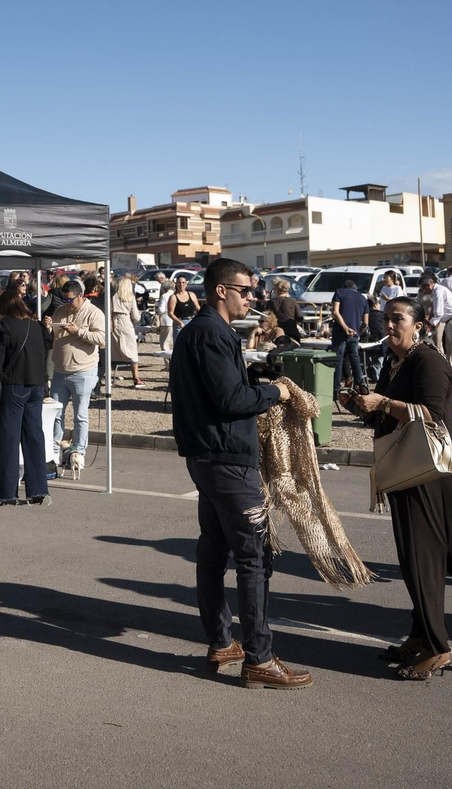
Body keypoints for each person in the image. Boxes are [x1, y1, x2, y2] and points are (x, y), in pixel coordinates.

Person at [343, 296, 452, 680]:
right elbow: (386, 409)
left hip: (429, 477)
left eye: (397, 319)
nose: (388, 326)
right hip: (407, 472)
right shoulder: (396, 361)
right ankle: (420, 636)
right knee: (417, 561)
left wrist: (384, 402)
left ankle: (437, 649)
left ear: (419, 325)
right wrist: (362, 405)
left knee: (424, 563)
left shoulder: (430, 362)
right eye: (385, 319)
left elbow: (432, 414)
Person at [169, 258, 312, 691]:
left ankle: (221, 642)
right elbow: (231, 399)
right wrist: (275, 391)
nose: (252, 297)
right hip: (227, 459)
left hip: (210, 456)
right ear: (219, 290)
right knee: (253, 558)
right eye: (245, 290)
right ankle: (260, 658)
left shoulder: (204, 332)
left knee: (213, 553)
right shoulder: (212, 333)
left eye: (253, 290)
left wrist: (253, 377)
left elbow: (221, 388)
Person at [0, 293, 51, 505]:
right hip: (37, 386)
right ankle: (38, 489)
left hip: (14, 385)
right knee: (34, 437)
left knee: (9, 440)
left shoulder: (4, 327)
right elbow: (45, 353)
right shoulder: (36, 326)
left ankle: (4, 492)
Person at [45, 279, 105, 480]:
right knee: (56, 413)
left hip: (83, 371)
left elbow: (103, 339)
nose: (67, 302)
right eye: (64, 299)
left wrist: (78, 331)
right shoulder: (61, 311)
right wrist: (49, 326)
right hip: (60, 371)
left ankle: (79, 450)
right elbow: (56, 336)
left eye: (70, 299)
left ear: (81, 295)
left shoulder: (94, 313)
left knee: (80, 415)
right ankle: (54, 451)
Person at [330, 277, 368, 390]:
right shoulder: (363, 299)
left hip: (339, 331)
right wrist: (357, 332)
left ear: (344, 287)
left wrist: (345, 328)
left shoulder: (339, 292)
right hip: (354, 333)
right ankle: (359, 384)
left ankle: (336, 388)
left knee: (338, 359)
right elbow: (365, 323)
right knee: (355, 358)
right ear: (355, 288)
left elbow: (335, 312)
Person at [111, 273, 143, 389]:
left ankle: (109, 376)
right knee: (132, 350)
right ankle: (136, 377)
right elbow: (136, 317)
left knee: (113, 349)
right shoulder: (130, 297)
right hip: (126, 322)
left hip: (113, 321)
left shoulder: (112, 297)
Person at [165, 277, 197, 351]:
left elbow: (198, 308)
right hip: (179, 323)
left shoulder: (191, 295)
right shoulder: (173, 297)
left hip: (192, 322)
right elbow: (170, 313)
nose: (181, 284)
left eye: (183, 282)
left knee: (192, 346)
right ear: (176, 284)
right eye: (179, 282)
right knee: (179, 347)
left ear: (186, 284)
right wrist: (180, 323)